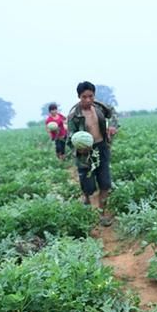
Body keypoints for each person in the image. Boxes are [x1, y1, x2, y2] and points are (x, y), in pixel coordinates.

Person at [67, 81, 119, 225]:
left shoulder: (100, 108)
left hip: (102, 148)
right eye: (84, 97)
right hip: (84, 155)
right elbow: (70, 139)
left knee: (105, 184)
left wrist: (113, 127)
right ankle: (87, 200)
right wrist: (79, 148)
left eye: (91, 96)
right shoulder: (74, 116)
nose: (88, 100)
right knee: (88, 186)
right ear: (79, 97)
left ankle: (102, 214)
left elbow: (113, 114)